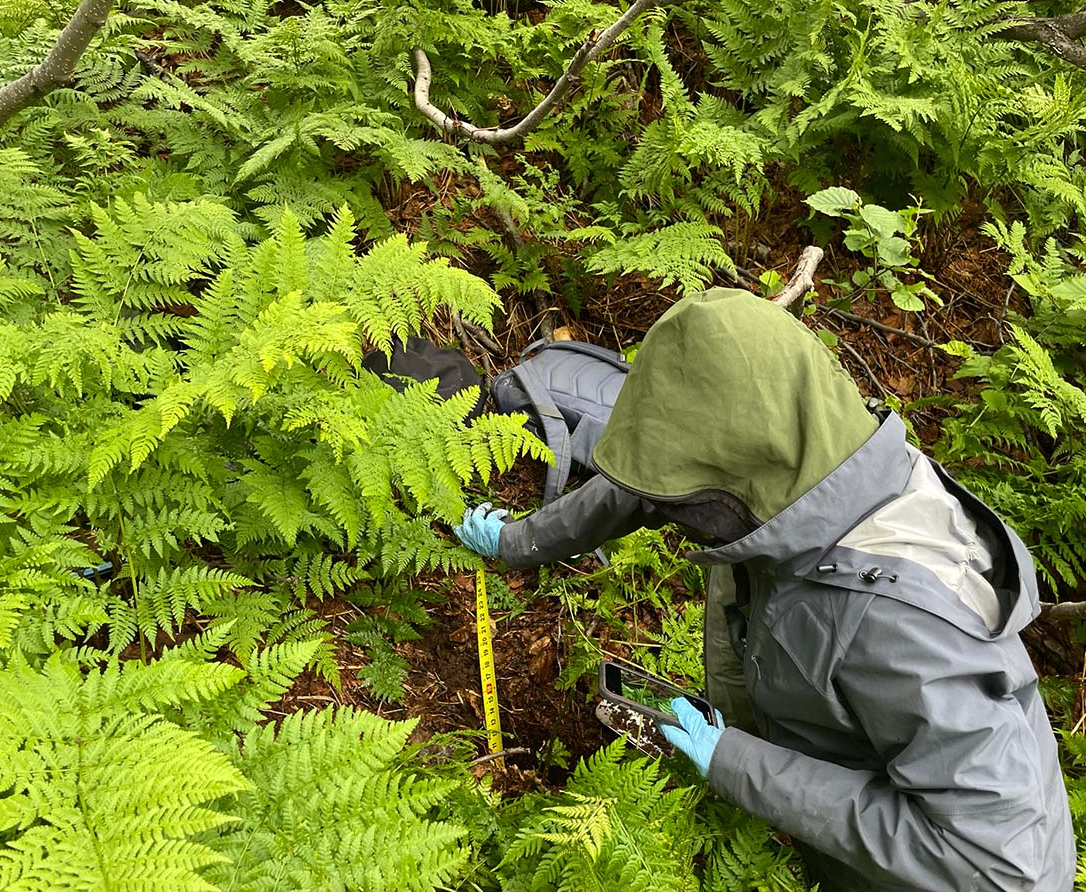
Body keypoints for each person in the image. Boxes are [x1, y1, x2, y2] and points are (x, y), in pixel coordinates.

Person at [454, 287, 1074, 891]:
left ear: (732, 477)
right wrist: (520, 542)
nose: (676, 511)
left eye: (689, 500)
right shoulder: (806, 457)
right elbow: (648, 480)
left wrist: (738, 763)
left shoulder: (897, 625)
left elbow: (998, 866)